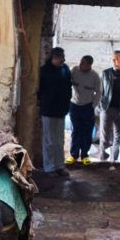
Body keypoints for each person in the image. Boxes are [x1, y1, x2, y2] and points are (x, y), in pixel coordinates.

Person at [36, 47, 72, 177]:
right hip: (48, 110)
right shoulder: (44, 71)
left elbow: (69, 88)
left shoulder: (65, 69)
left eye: (63, 57)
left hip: (61, 110)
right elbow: (40, 91)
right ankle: (49, 167)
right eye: (60, 57)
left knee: (59, 140)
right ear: (54, 57)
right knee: (49, 140)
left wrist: (67, 105)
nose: (63, 59)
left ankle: (59, 166)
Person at [98, 50, 120, 162]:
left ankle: (115, 162)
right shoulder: (105, 73)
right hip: (107, 109)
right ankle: (103, 161)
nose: (114, 60)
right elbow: (101, 92)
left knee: (119, 138)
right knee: (105, 138)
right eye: (113, 58)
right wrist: (101, 107)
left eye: (116, 58)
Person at [68, 55, 101, 165]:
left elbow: (99, 92)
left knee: (87, 131)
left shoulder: (95, 76)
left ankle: (85, 156)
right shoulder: (74, 70)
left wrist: (93, 106)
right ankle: (74, 155)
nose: (81, 65)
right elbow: (67, 83)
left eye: (84, 64)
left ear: (89, 65)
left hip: (87, 107)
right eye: (81, 62)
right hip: (74, 105)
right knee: (76, 130)